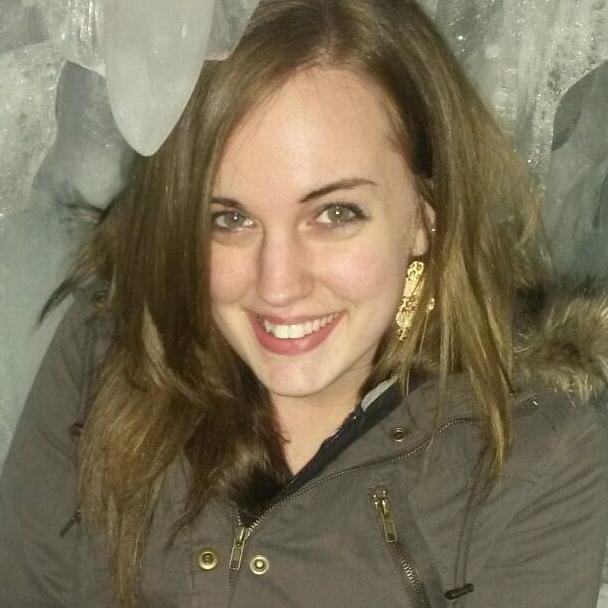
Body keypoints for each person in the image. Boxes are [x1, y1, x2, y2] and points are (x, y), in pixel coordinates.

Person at [1, 1, 608, 606]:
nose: (278, 285)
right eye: (230, 218)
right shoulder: (110, 349)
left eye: (335, 213)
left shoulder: (534, 458)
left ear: (425, 218)